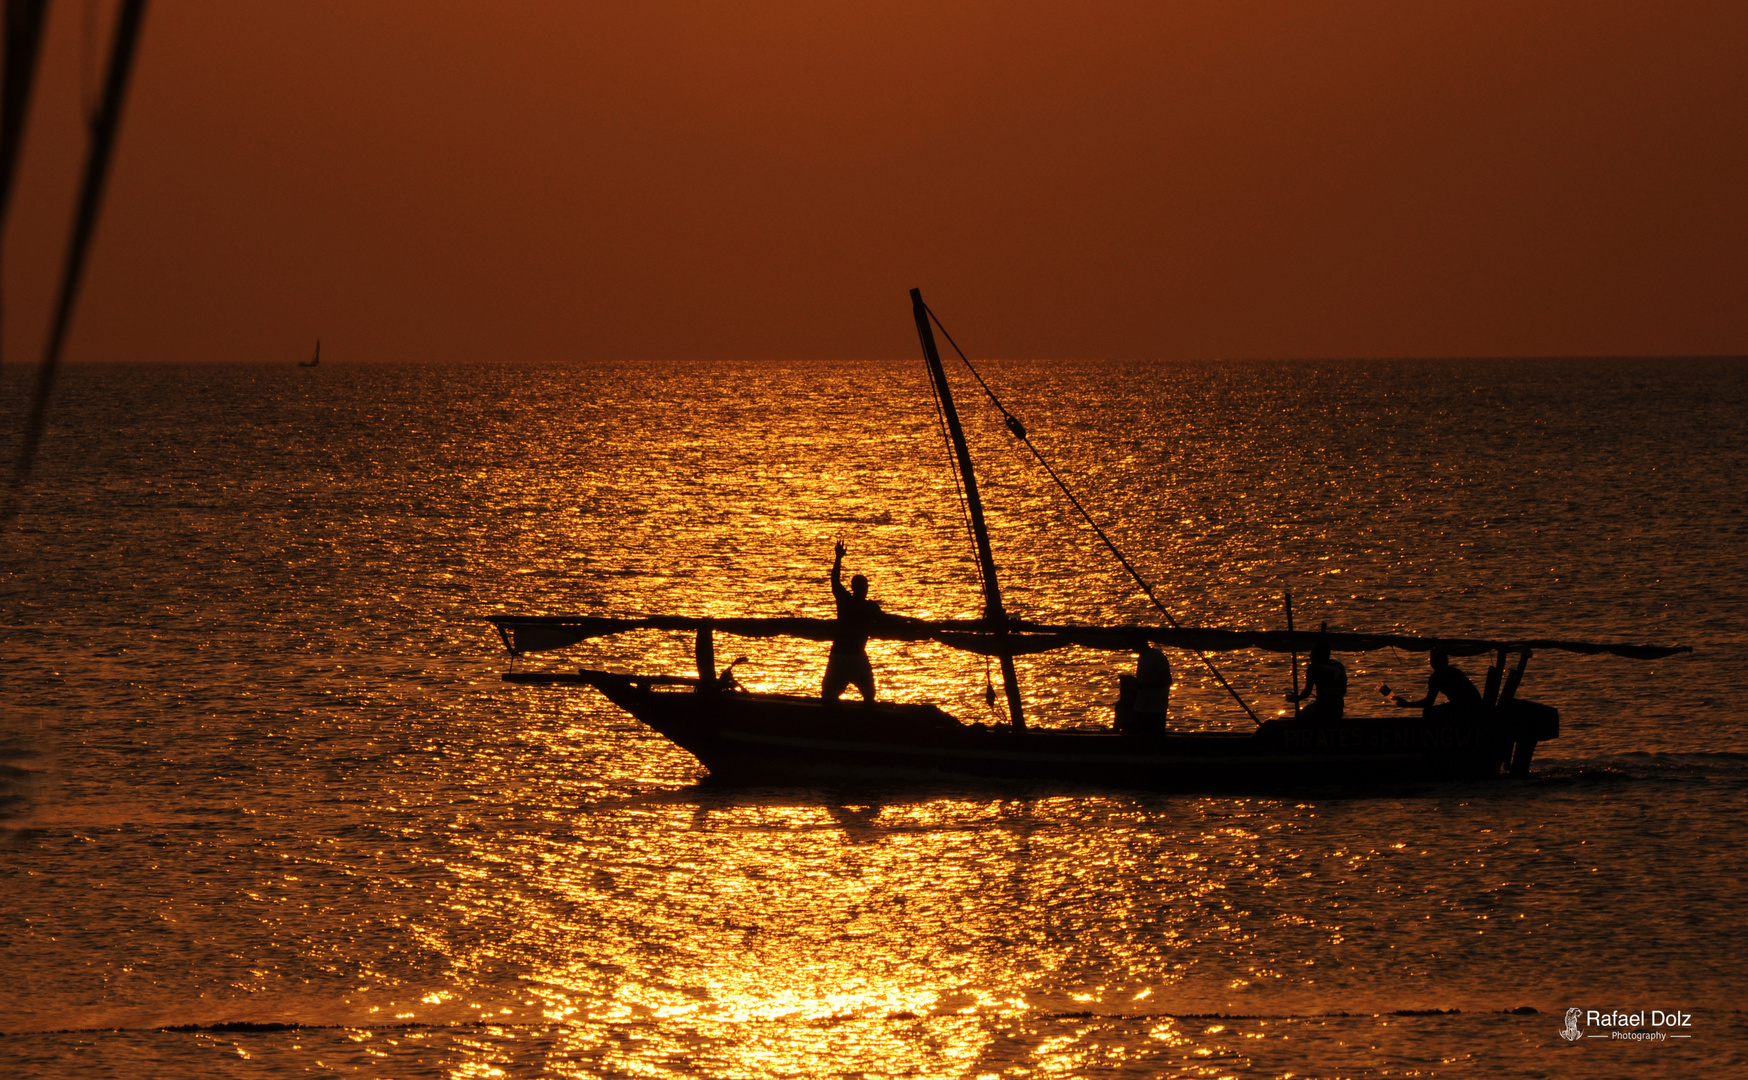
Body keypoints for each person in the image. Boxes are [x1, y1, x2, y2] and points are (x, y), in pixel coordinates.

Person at [822, 541, 880, 702]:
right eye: (864, 586)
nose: (865, 588)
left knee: (830, 695)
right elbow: (834, 582)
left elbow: (834, 582)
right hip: (850, 656)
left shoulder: (848, 602)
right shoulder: (866, 606)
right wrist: (838, 558)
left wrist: (838, 558)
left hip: (845, 656)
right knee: (868, 694)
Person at [1394, 650, 1483, 720]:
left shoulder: (1438, 677)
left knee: (1429, 712)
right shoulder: (1453, 672)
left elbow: (1429, 702)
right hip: (1472, 706)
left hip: (1468, 708)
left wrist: (1407, 704)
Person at [1286, 640, 1347, 724]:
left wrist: (1296, 698)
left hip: (1322, 708)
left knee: (1299, 715)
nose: (1310, 656)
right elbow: (1343, 690)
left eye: (1313, 653)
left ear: (1318, 654)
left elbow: (1307, 691)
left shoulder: (1314, 667)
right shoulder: (1339, 666)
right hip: (1338, 708)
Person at [1117, 645, 1172, 736]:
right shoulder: (1142, 658)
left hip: (1154, 710)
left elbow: (1166, 680)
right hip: (1142, 708)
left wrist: (1142, 684)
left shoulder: (1156, 656)